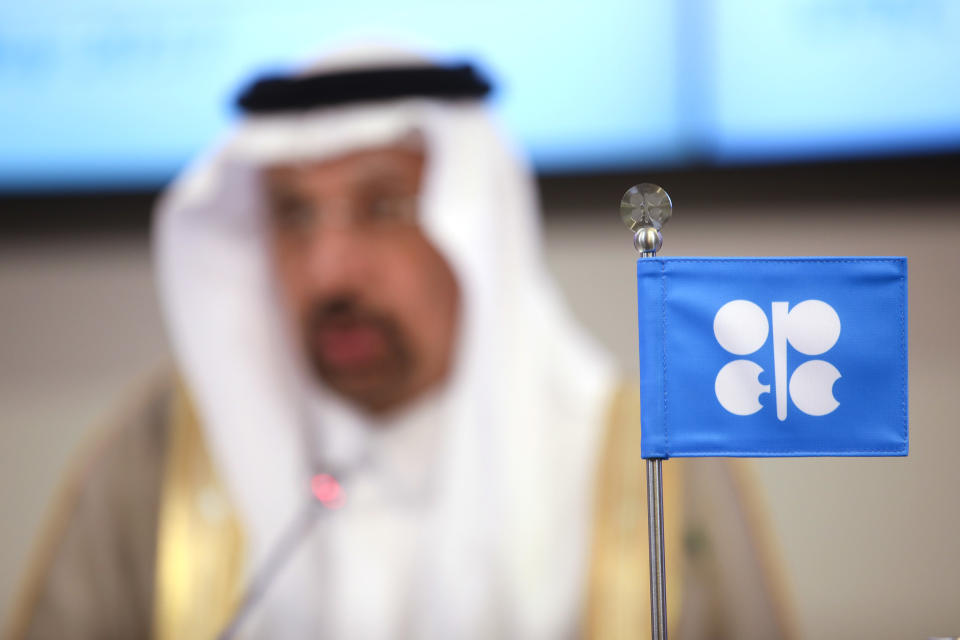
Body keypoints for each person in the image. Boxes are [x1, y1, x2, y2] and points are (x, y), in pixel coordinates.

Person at [8, 46, 791, 639]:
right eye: (295, 215)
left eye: (384, 207)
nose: (329, 271)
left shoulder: (646, 459)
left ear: (474, 228)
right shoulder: (167, 447)